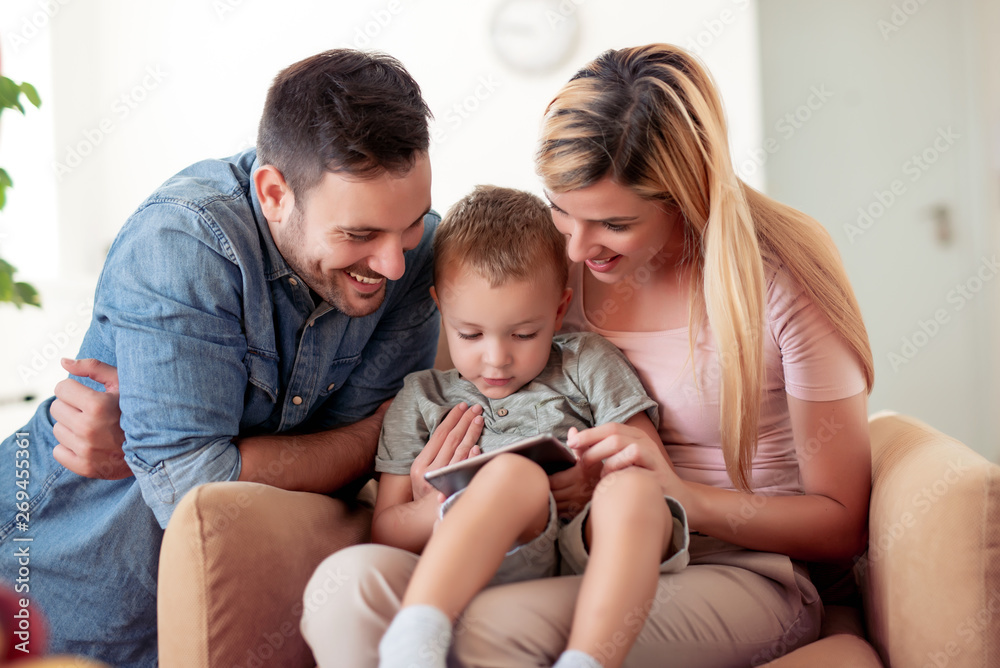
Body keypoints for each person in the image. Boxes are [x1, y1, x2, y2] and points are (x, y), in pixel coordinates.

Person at [303, 43, 874, 667]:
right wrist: (439, 495)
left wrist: (680, 492)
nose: (576, 249)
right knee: (349, 588)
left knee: (492, 628)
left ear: (689, 193)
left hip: (734, 565)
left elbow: (842, 524)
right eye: (560, 211)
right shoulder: (551, 271)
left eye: (613, 225)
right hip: (563, 537)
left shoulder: (782, 283)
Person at [0, 49, 441, 668]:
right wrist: (374, 435)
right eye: (360, 235)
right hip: (56, 587)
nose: (393, 264)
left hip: (227, 607)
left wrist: (162, 452)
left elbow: (345, 475)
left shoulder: (418, 259)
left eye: (411, 224)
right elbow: (197, 492)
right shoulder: (184, 242)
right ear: (274, 193)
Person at [315, 185, 688, 668]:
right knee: (514, 474)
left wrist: (600, 478)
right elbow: (386, 529)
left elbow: (650, 462)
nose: (496, 359)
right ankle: (414, 639)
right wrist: (440, 503)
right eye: (469, 334)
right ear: (441, 309)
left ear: (558, 310)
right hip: (491, 550)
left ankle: (589, 661)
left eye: (524, 333)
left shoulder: (586, 362)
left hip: (592, 544)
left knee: (636, 488)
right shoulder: (423, 400)